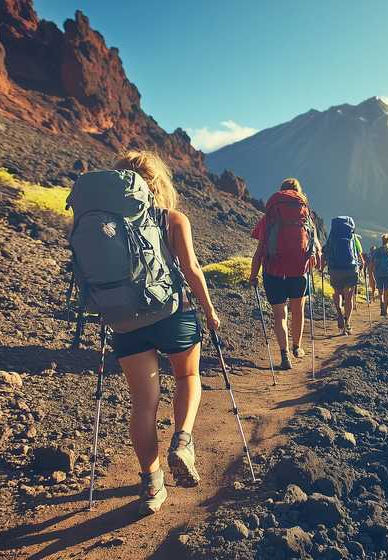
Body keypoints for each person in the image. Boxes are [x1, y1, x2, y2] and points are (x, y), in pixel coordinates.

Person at [110, 151, 220, 515]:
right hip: (172, 313)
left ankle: (151, 483)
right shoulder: (172, 218)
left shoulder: (106, 224)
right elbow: (190, 268)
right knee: (188, 374)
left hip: (126, 321)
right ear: (157, 181)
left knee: (143, 402)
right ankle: (183, 441)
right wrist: (209, 310)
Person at [248, 178, 320, 370]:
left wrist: (253, 275)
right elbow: (315, 247)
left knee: (280, 315)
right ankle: (297, 347)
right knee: (298, 311)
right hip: (299, 272)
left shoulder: (269, 218)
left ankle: (284, 355)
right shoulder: (306, 217)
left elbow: (260, 250)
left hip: (274, 271)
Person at [322, 216, 365, 335]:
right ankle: (347, 323)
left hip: (335, 269)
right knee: (349, 296)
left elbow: (325, 252)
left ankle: (339, 314)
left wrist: (321, 268)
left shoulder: (332, 237)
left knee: (337, 292)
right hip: (350, 269)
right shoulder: (353, 238)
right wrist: (361, 268)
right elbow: (360, 256)